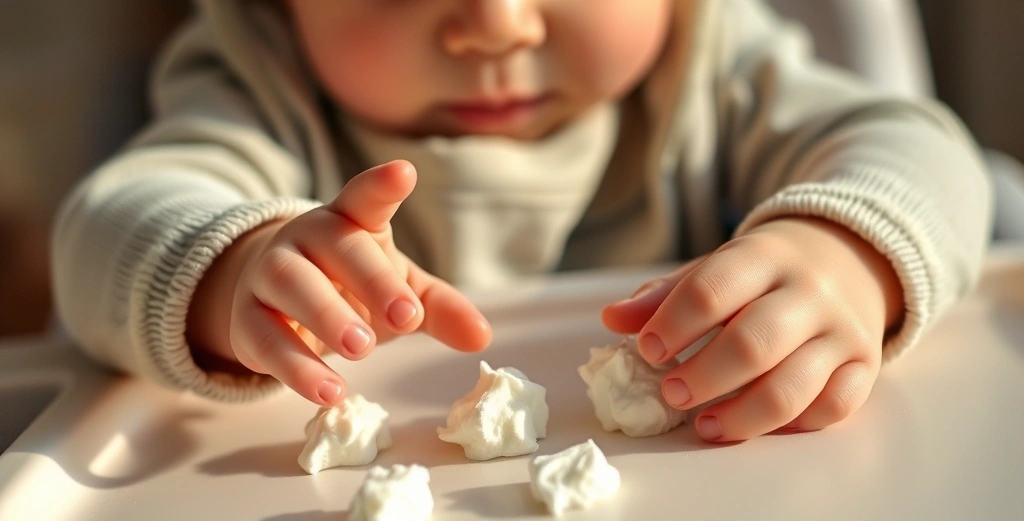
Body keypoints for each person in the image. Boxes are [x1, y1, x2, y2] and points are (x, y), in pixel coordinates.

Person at [51, 0, 992, 443]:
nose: (497, 25)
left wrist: (848, 253)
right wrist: (229, 267)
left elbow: (921, 149)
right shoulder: (261, 85)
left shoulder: (711, 67)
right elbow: (101, 230)